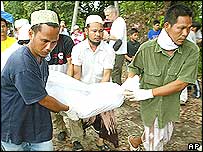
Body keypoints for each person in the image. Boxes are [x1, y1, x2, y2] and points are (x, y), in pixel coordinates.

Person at [124, 4, 199, 151]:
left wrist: (148, 92)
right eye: (181, 28)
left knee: (164, 136)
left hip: (170, 106)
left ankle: (135, 141)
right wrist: (131, 82)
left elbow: (182, 82)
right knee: (155, 144)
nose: (186, 33)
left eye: (189, 28)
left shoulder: (191, 51)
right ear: (167, 25)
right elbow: (134, 67)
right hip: (150, 108)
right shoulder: (147, 48)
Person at [1, 10, 71, 151]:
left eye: (54, 42)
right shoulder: (22, 63)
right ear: (31, 34)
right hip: (14, 126)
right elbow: (43, 99)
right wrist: (70, 108)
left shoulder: (42, 60)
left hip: (36, 125)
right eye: (44, 41)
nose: (48, 48)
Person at [70, 14, 118, 151]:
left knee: (106, 113)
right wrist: (77, 93)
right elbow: (77, 74)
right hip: (82, 87)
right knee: (73, 111)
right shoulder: (78, 49)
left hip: (101, 88)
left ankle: (100, 141)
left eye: (101, 31)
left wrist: (98, 97)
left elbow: (106, 75)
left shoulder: (108, 50)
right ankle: (77, 140)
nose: (98, 34)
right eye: (94, 31)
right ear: (86, 31)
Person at [45, 32, 74, 141]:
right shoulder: (42, 40)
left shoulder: (66, 41)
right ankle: (61, 129)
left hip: (65, 77)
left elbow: (71, 62)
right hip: (48, 80)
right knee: (53, 107)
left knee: (71, 108)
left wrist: (68, 80)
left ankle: (77, 138)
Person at [103, 5, 127, 85]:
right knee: (114, 71)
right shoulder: (116, 22)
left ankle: (117, 89)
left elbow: (118, 37)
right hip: (114, 51)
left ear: (114, 13)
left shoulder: (120, 22)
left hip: (118, 51)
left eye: (108, 15)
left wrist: (107, 36)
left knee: (116, 72)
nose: (106, 17)